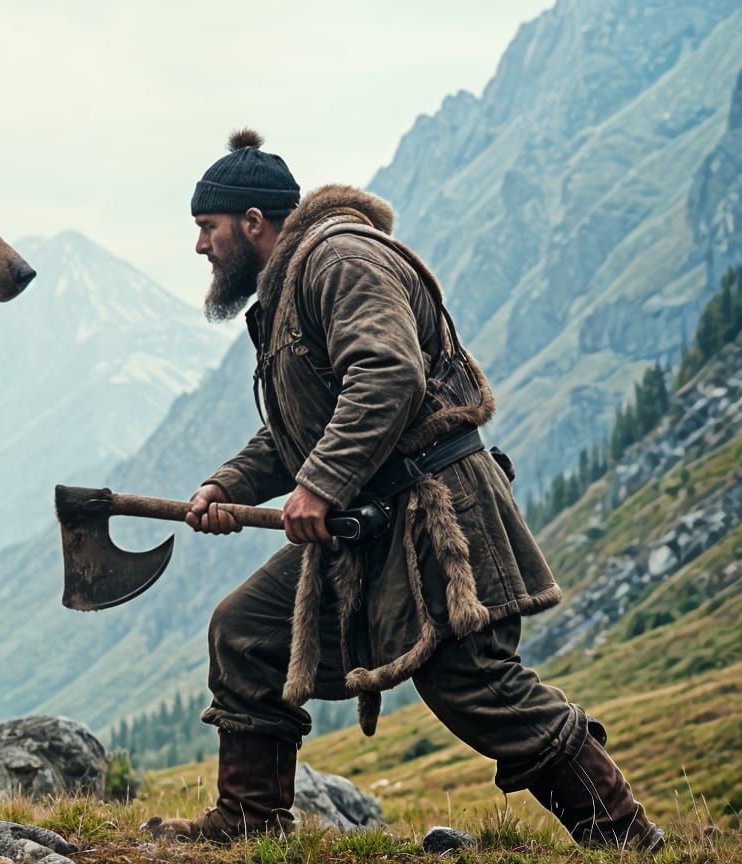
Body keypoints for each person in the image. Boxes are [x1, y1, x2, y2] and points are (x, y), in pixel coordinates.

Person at [142, 130, 663, 852]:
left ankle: (624, 834)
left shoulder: (340, 260)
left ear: (253, 223)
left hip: (436, 514)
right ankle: (248, 822)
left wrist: (318, 486)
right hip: (375, 521)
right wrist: (225, 484)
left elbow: (387, 376)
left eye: (208, 228)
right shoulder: (292, 287)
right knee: (247, 632)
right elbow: (300, 428)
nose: (201, 247)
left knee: (473, 685)